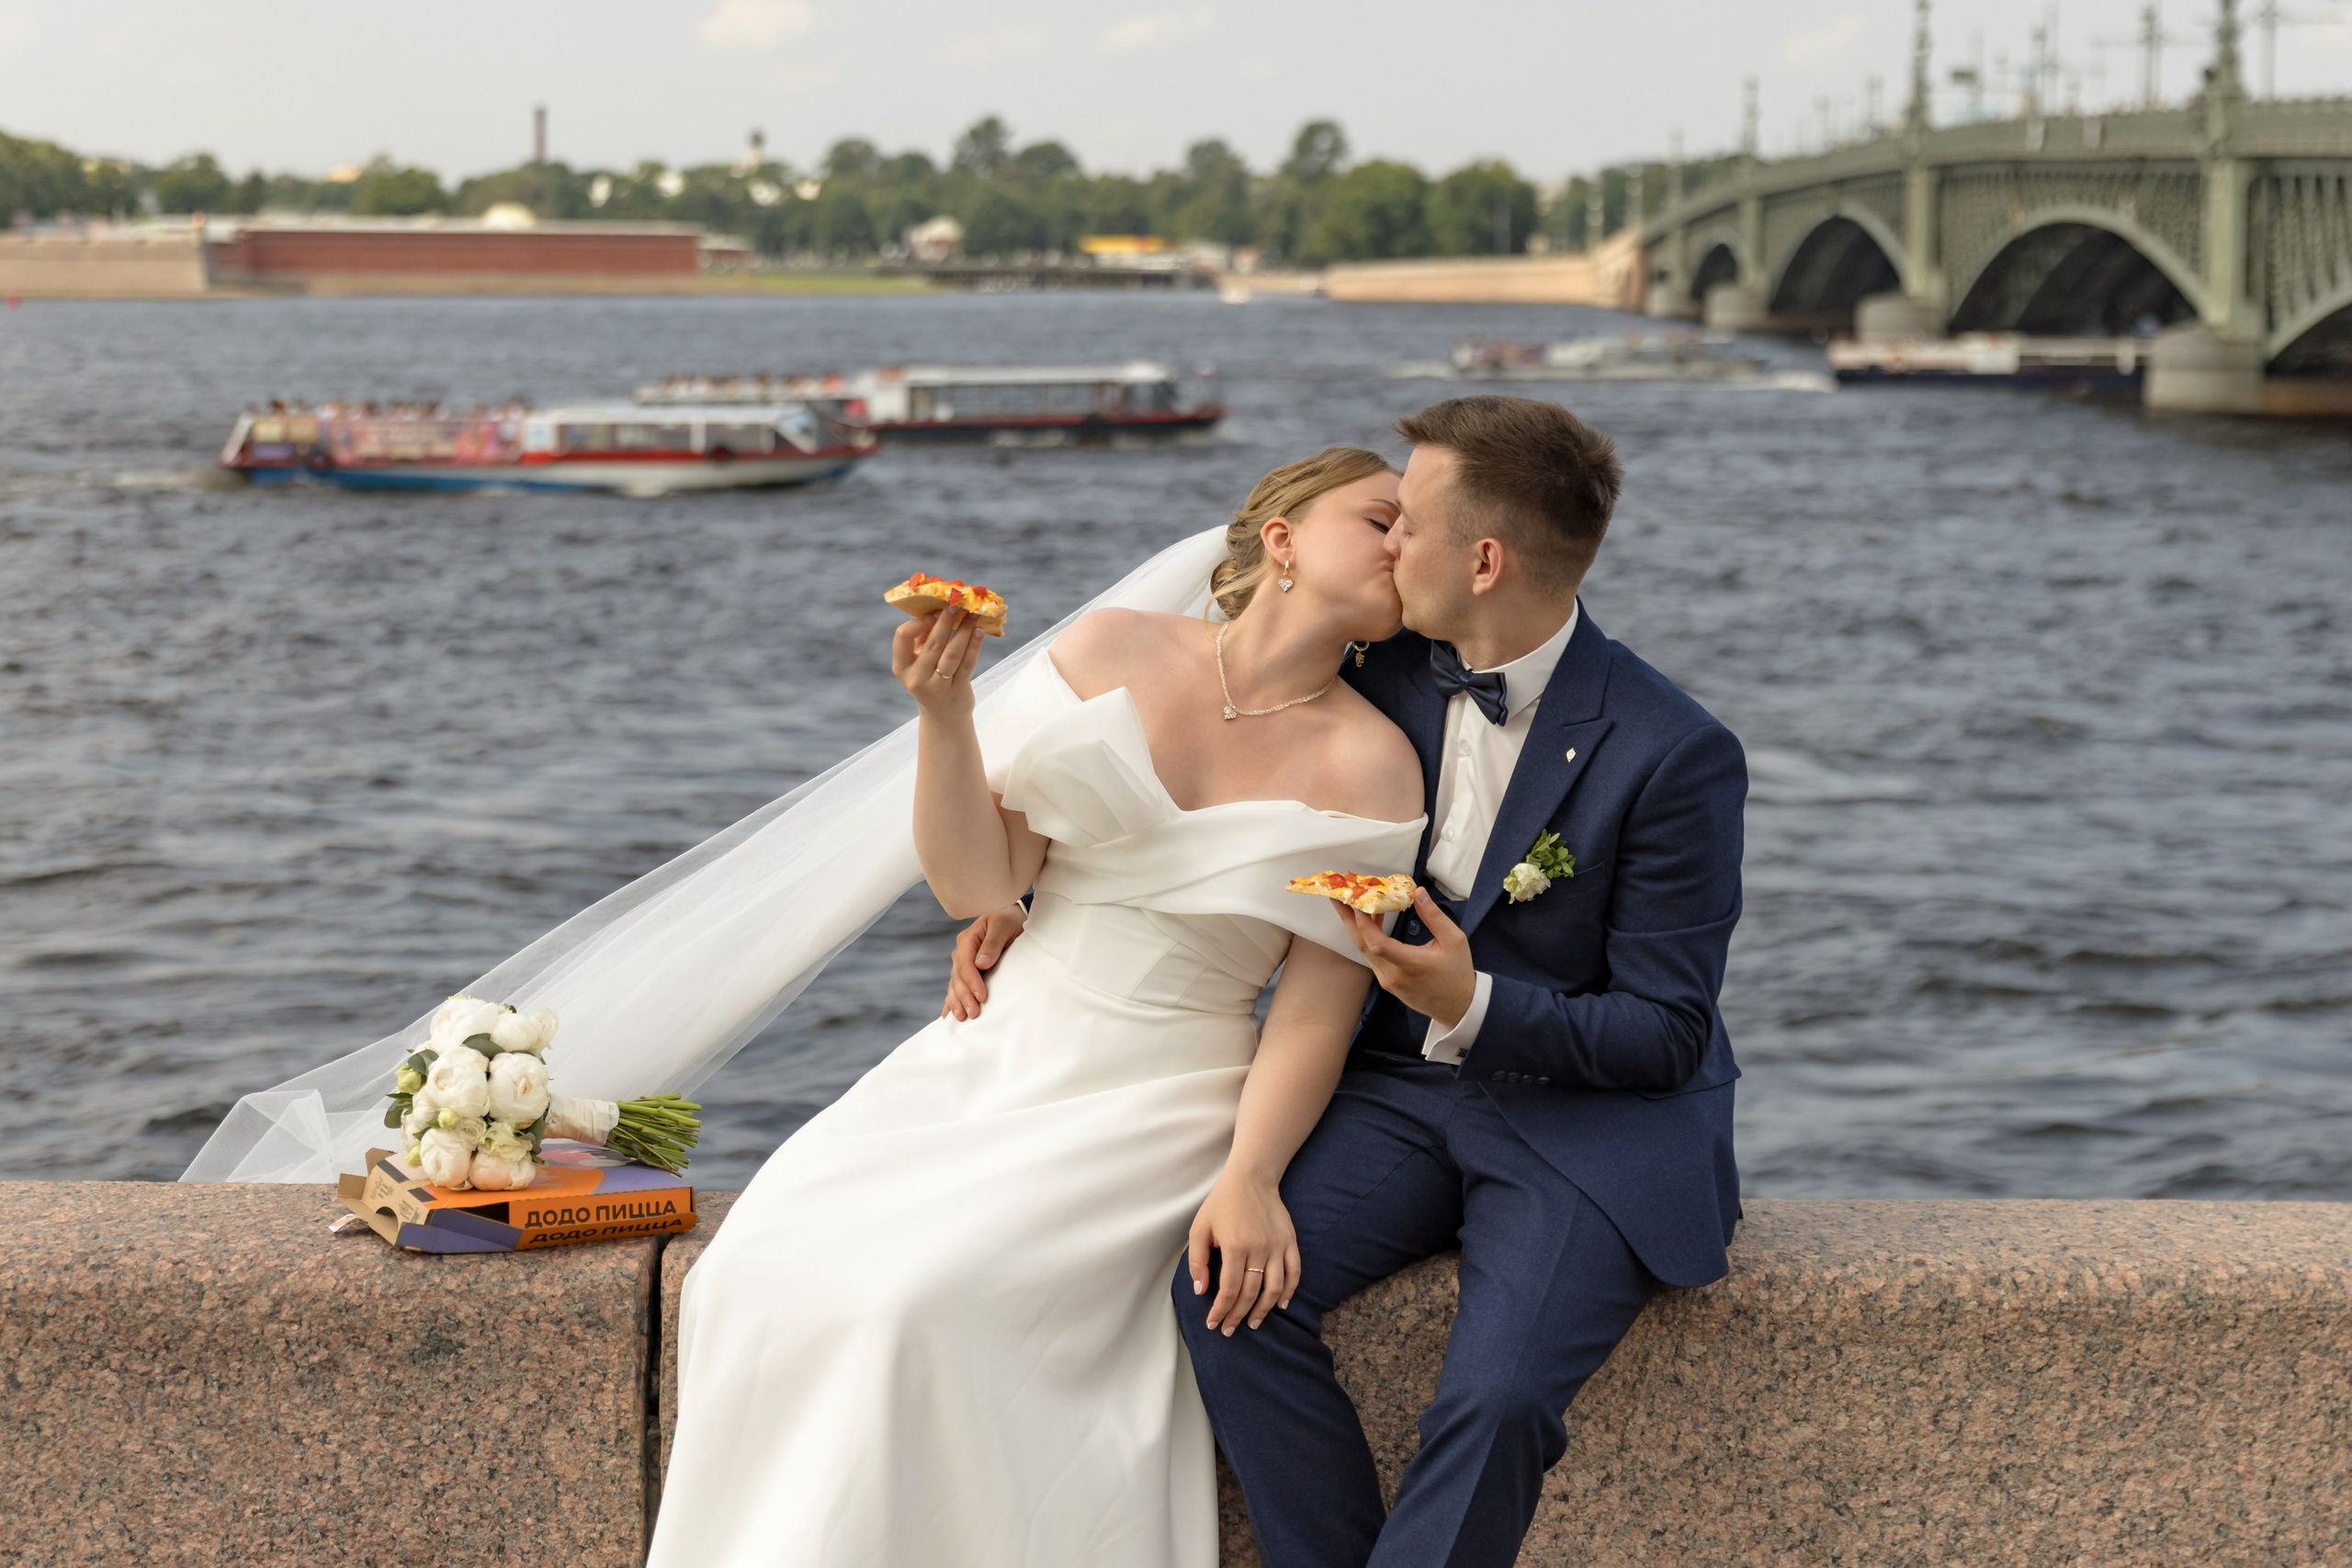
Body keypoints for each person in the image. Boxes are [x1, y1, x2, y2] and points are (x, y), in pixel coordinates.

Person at [946, 395, 1747, 1568]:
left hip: (1583, 1123)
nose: (1385, 544)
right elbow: (1206, 763)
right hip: (1395, 1097)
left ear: (1481, 559)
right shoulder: (1382, 667)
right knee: (1227, 1299)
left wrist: (1469, 1004)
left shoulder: (1673, 751)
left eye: (1405, 522)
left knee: (1498, 1400)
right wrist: (1024, 897)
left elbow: (1668, 1032)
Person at [648, 448, 1430, 1568]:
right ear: (1284, 538)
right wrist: (946, 716)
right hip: (992, 1047)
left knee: (919, 1302)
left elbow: (1314, 1009)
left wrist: (1251, 1177)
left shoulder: (1376, 764)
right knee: (750, 1269)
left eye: (1417, 532)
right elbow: (979, 886)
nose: (1405, 546)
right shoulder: (1111, 648)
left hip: (1160, 1098)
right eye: (1379, 518)